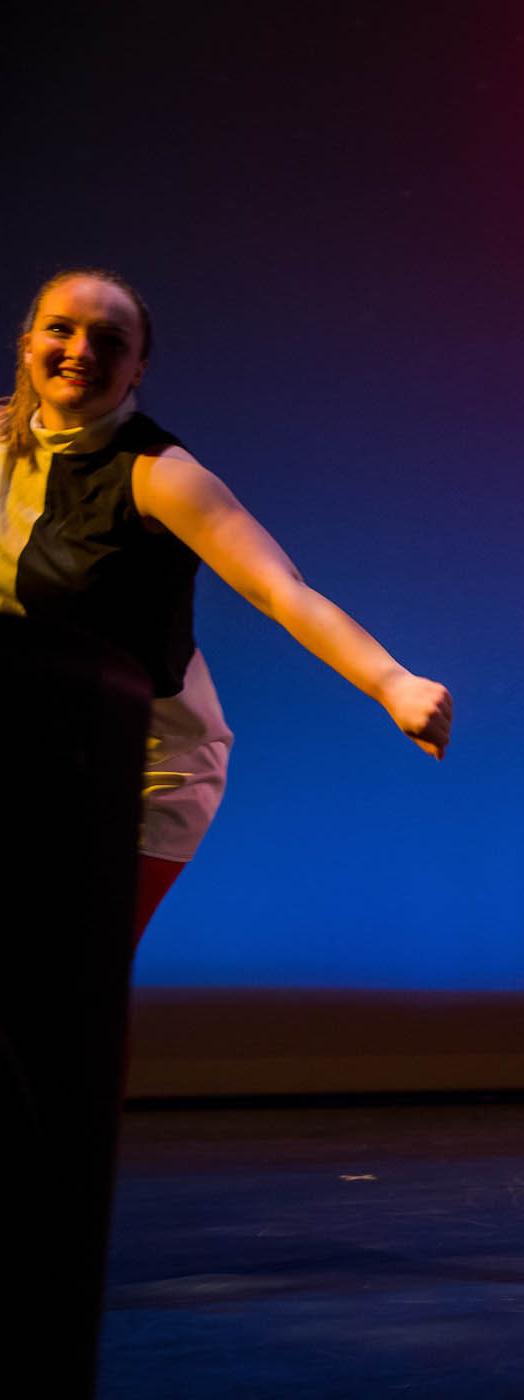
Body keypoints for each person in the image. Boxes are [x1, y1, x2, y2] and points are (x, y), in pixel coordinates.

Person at [1, 268, 449, 939]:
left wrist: (394, 683)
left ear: (137, 369)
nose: (81, 350)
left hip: (141, 767)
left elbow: (278, 588)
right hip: (40, 738)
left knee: (63, 972)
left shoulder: (159, 477)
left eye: (109, 340)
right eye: (61, 329)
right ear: (29, 341)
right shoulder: (5, 442)